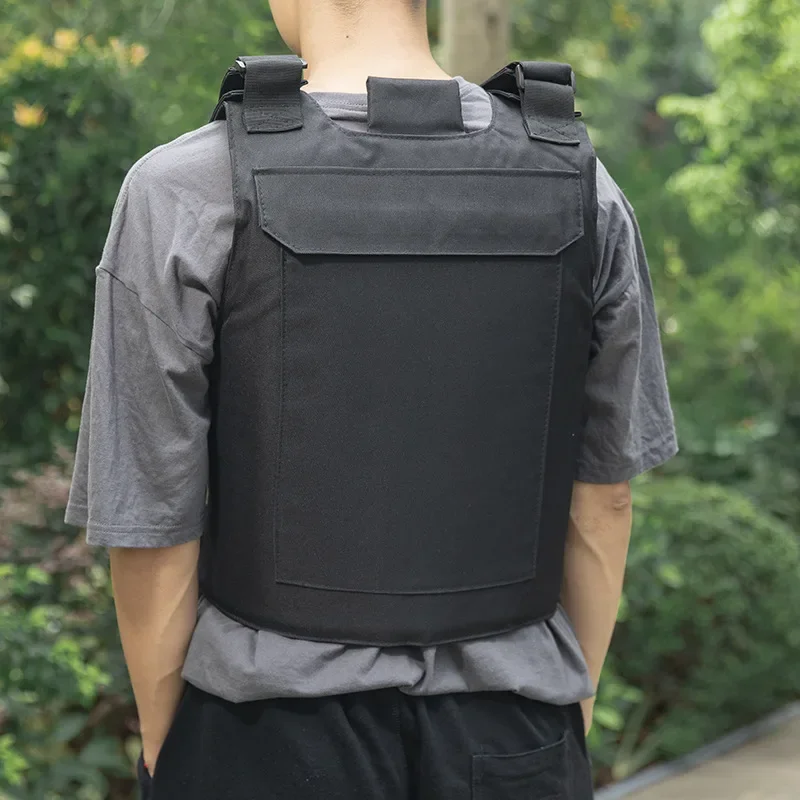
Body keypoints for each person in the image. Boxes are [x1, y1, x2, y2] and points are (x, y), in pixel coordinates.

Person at [64, 0, 678, 798]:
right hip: (513, 735)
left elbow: (151, 516)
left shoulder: (182, 188)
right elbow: (605, 499)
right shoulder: (583, 185)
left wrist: (166, 743)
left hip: (264, 740)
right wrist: (566, 708)